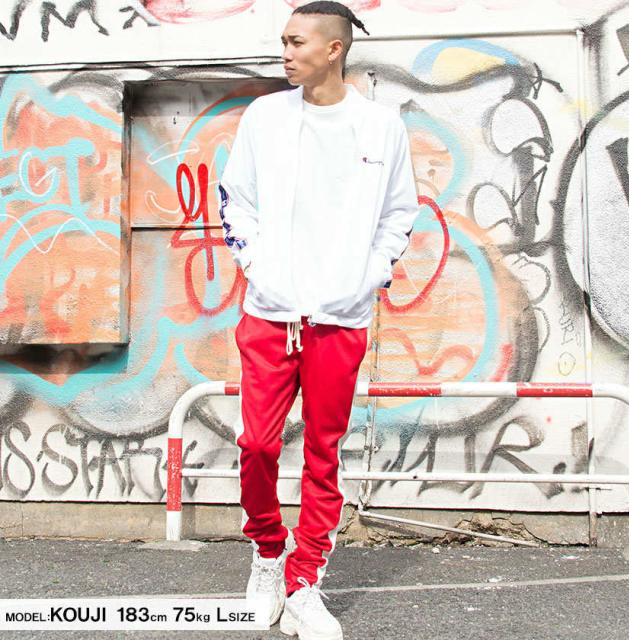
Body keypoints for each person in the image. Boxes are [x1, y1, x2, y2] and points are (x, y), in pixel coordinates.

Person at [218, 2, 419, 638]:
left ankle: (304, 583)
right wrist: (257, 267)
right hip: (269, 313)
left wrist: (369, 274)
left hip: (340, 317)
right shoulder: (265, 116)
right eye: (283, 40)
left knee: (322, 454)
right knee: (257, 444)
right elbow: (236, 199)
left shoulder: (380, 126)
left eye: (296, 41)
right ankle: (268, 552)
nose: (285, 52)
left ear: (334, 49)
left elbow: (400, 212)